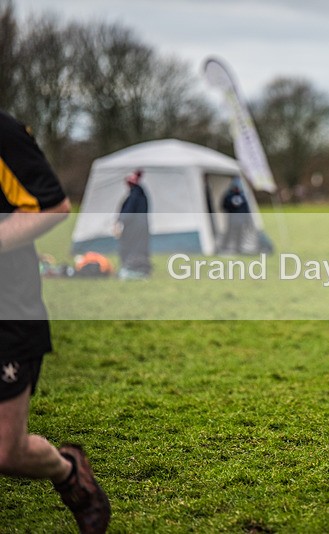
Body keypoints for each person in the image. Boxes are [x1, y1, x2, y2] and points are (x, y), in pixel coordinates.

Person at [0, 110, 111, 533]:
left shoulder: (4, 133)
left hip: (9, 310)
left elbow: (54, 205)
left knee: (6, 452)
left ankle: (69, 474)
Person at [115, 169, 151, 279]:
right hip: (141, 228)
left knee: (131, 249)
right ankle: (140, 269)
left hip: (132, 229)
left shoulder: (134, 196)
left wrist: (120, 223)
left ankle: (132, 269)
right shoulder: (142, 194)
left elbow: (127, 214)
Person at [220, 179, 252, 254]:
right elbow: (223, 206)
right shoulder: (228, 196)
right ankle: (224, 247)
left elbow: (246, 209)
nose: (237, 189)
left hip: (241, 219)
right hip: (232, 219)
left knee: (240, 234)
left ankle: (238, 248)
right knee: (229, 233)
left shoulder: (243, 196)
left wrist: (247, 219)